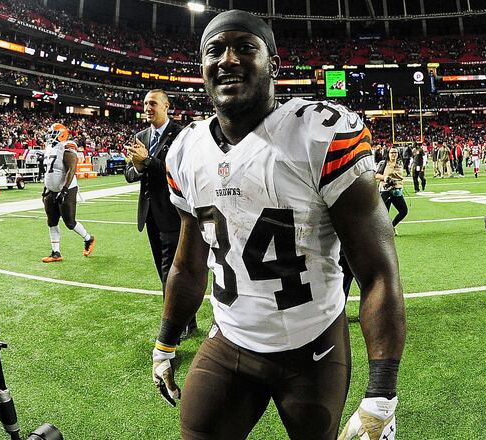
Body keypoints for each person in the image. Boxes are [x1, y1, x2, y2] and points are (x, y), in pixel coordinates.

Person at [150, 10, 406, 440]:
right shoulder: (186, 149)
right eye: (215, 50)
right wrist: (165, 341)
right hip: (230, 337)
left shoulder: (320, 133)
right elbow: (189, 263)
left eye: (245, 48)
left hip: (312, 345)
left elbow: (379, 272)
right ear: (202, 68)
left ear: (274, 65)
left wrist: (382, 393)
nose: (228, 59)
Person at [125, 89, 198, 338]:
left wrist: (147, 162)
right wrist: (137, 166)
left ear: (166, 106)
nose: (147, 107)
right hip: (150, 215)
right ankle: (189, 321)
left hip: (173, 213)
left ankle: (176, 325)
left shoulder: (180, 134)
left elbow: (175, 172)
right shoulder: (141, 136)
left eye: (153, 103)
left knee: (173, 271)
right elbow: (130, 174)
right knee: (162, 271)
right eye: (145, 103)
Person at [40, 123, 95, 262]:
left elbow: (71, 170)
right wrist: (46, 188)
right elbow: (48, 171)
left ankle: (89, 239)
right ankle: (55, 253)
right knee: (51, 221)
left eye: (54, 133)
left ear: (62, 134)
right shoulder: (48, 148)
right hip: (51, 190)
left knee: (69, 222)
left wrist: (64, 190)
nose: (51, 136)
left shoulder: (67, 147)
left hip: (67, 189)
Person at [375, 147, 408, 235]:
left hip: (397, 191)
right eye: (392, 152)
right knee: (384, 213)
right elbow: (376, 175)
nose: (394, 154)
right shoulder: (383, 163)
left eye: (395, 152)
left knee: (404, 211)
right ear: (388, 154)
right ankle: (381, 232)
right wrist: (385, 178)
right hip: (385, 191)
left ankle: (392, 226)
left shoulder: (400, 163)